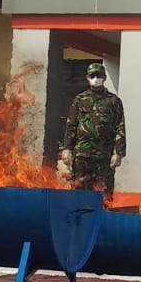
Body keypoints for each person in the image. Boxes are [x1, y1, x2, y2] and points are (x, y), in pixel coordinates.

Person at [59, 62, 126, 198]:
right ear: (87, 78)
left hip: (104, 155)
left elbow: (120, 127)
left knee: (104, 193)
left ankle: (103, 217)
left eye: (99, 75)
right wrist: (67, 149)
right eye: (93, 75)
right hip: (82, 155)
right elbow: (71, 125)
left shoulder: (113, 101)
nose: (96, 78)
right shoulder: (80, 100)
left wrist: (118, 153)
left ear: (104, 78)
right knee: (79, 191)